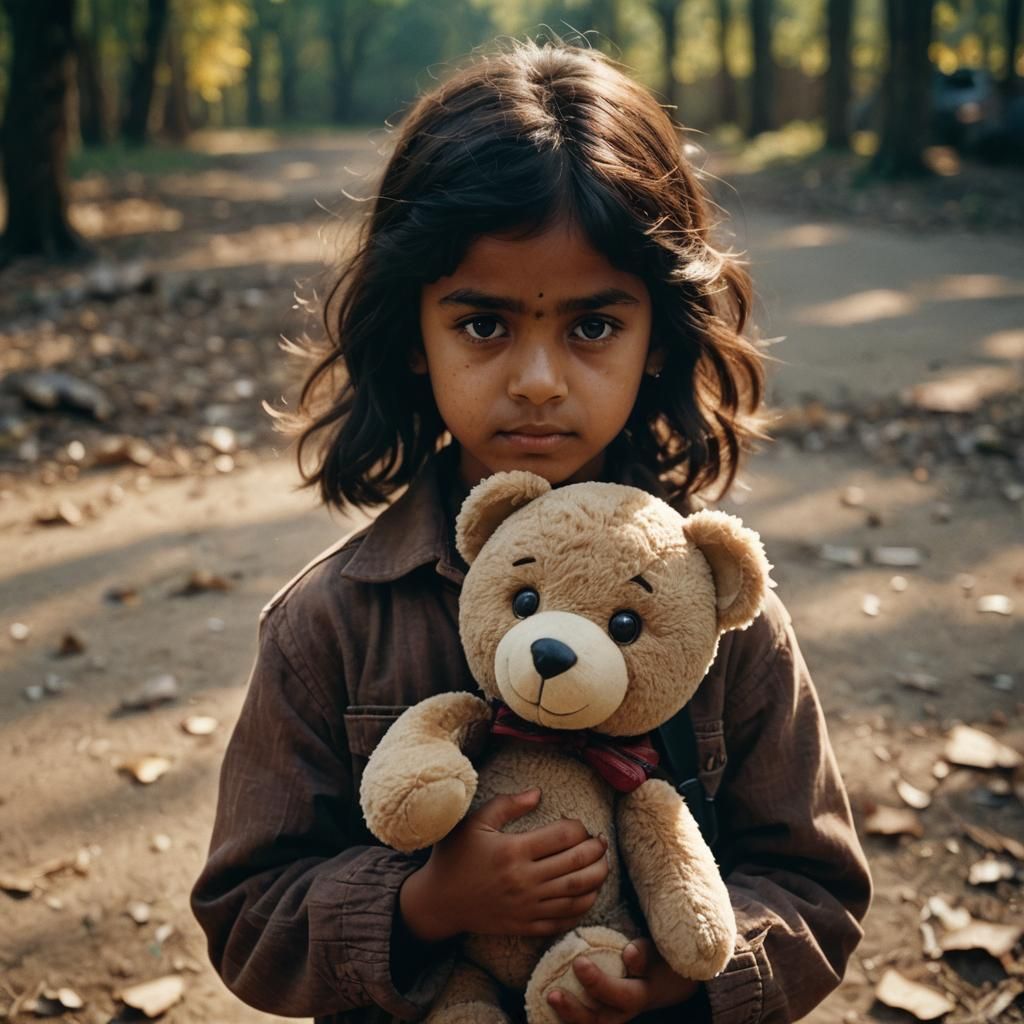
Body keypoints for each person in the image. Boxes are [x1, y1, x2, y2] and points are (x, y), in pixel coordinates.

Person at [191, 37, 871, 1024]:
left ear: (656, 339)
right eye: (483, 324)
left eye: (592, 326)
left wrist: (683, 972)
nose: (539, 378)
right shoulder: (332, 622)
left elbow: (815, 885)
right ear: (414, 335)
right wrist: (425, 902)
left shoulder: (720, 615)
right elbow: (246, 912)